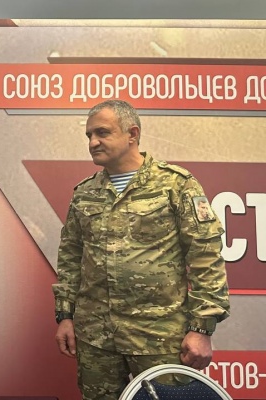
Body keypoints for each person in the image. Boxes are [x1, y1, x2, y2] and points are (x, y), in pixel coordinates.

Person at [52, 99, 230, 400]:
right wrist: (65, 316)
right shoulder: (85, 193)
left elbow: (206, 257)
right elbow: (70, 257)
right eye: (89, 135)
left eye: (102, 133)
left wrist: (202, 329)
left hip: (159, 337)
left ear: (132, 134)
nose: (93, 142)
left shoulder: (175, 185)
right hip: (97, 339)